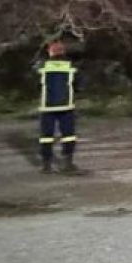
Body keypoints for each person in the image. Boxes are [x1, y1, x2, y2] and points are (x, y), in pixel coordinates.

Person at [36, 41, 78, 174]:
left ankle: (46, 165)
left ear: (50, 52)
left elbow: (36, 82)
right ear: (63, 51)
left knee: (46, 136)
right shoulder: (70, 65)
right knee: (68, 135)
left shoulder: (43, 65)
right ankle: (68, 163)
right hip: (66, 105)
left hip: (47, 106)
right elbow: (79, 83)